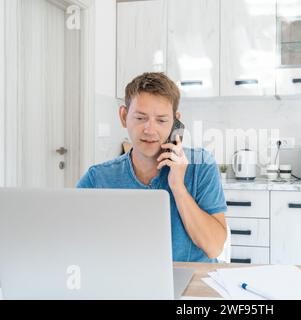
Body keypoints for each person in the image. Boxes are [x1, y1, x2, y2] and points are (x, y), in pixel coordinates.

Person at [77, 72, 228, 262]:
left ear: (176, 121)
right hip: (128, 282)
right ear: (124, 116)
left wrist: (178, 187)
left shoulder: (201, 166)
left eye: (162, 120)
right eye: (140, 118)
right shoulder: (98, 178)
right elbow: (74, 243)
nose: (149, 130)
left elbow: (214, 248)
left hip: (192, 282)